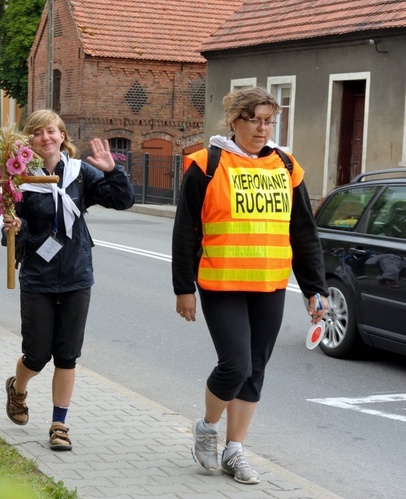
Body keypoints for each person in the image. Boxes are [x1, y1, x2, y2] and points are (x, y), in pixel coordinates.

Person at [171, 87, 329, 484]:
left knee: (255, 369)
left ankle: (235, 449)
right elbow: (186, 231)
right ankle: (208, 428)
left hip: (269, 283)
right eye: (255, 119)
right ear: (235, 121)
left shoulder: (286, 166)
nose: (263, 128)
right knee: (235, 364)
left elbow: (303, 232)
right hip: (221, 282)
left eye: (269, 120)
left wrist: (315, 288)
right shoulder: (206, 164)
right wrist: (183, 286)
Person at [1, 109, 134, 452]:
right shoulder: (20, 178)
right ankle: (18, 386)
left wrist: (113, 170)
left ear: (62, 136)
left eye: (51, 131)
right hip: (38, 276)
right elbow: (16, 232)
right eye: (37, 133)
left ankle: (59, 423)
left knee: (67, 356)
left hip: (76, 275)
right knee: (36, 355)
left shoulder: (79, 174)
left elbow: (123, 200)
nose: (45, 138)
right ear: (28, 141)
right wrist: (15, 229)